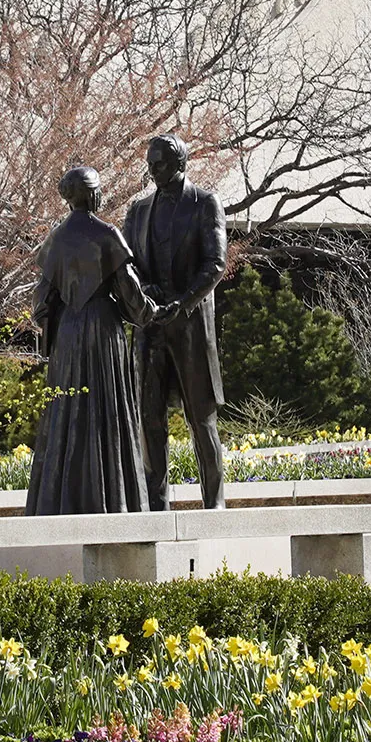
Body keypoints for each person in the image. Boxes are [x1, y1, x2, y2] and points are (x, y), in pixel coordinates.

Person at [24, 166, 157, 516]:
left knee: (66, 413)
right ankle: (114, 501)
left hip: (68, 334)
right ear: (91, 194)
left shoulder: (56, 238)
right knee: (107, 412)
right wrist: (151, 313)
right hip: (103, 332)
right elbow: (130, 292)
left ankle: (58, 502)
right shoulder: (107, 234)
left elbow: (40, 301)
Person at [124, 135, 229, 510]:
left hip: (190, 328)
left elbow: (215, 264)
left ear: (180, 163)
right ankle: (156, 504)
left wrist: (182, 303)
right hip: (150, 328)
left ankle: (214, 502)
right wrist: (146, 294)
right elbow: (127, 266)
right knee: (150, 418)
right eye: (150, 164)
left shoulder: (204, 203)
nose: (152, 171)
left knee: (201, 418)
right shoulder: (138, 211)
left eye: (160, 164)